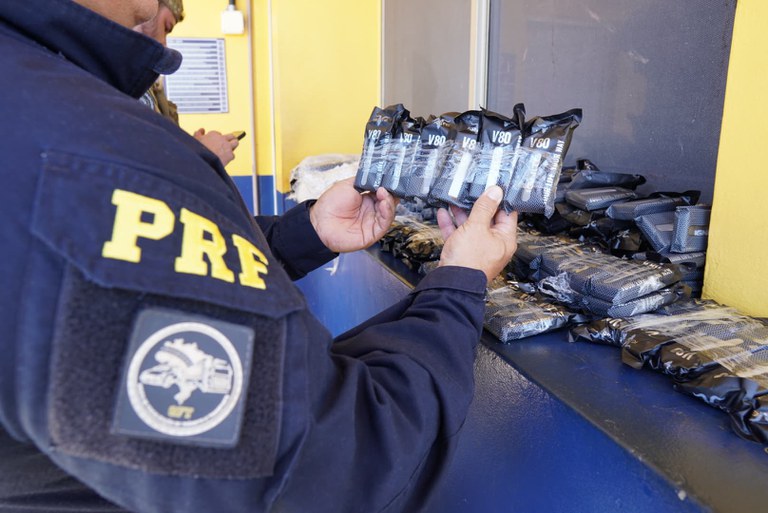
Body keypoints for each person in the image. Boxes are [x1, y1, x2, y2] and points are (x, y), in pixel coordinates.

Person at [0, 1, 518, 512]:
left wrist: (307, 232)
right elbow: (325, 472)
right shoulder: (87, 149)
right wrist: (459, 281)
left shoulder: (35, 105)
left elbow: (153, 269)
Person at [135, 0, 240, 167]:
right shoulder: (117, 85)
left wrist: (190, 147)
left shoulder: (141, 85)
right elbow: (147, 173)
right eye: (166, 27)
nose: (164, 42)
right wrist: (204, 157)